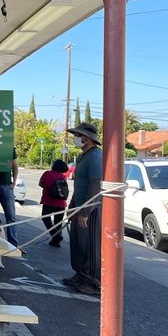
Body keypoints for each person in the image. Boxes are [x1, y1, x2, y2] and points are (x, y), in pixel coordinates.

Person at [62, 122, 103, 296]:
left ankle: (93, 281)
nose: (75, 138)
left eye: (78, 135)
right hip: (79, 207)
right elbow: (79, 186)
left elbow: (95, 186)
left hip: (91, 210)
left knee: (90, 246)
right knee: (78, 244)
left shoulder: (95, 157)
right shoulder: (83, 156)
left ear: (87, 138)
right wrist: (72, 207)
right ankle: (80, 275)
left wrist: (86, 212)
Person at [39, 159, 69, 248]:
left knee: (45, 218)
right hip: (61, 203)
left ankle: (55, 236)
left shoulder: (47, 174)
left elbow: (41, 184)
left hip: (49, 201)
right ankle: (56, 242)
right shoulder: (63, 177)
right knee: (58, 223)